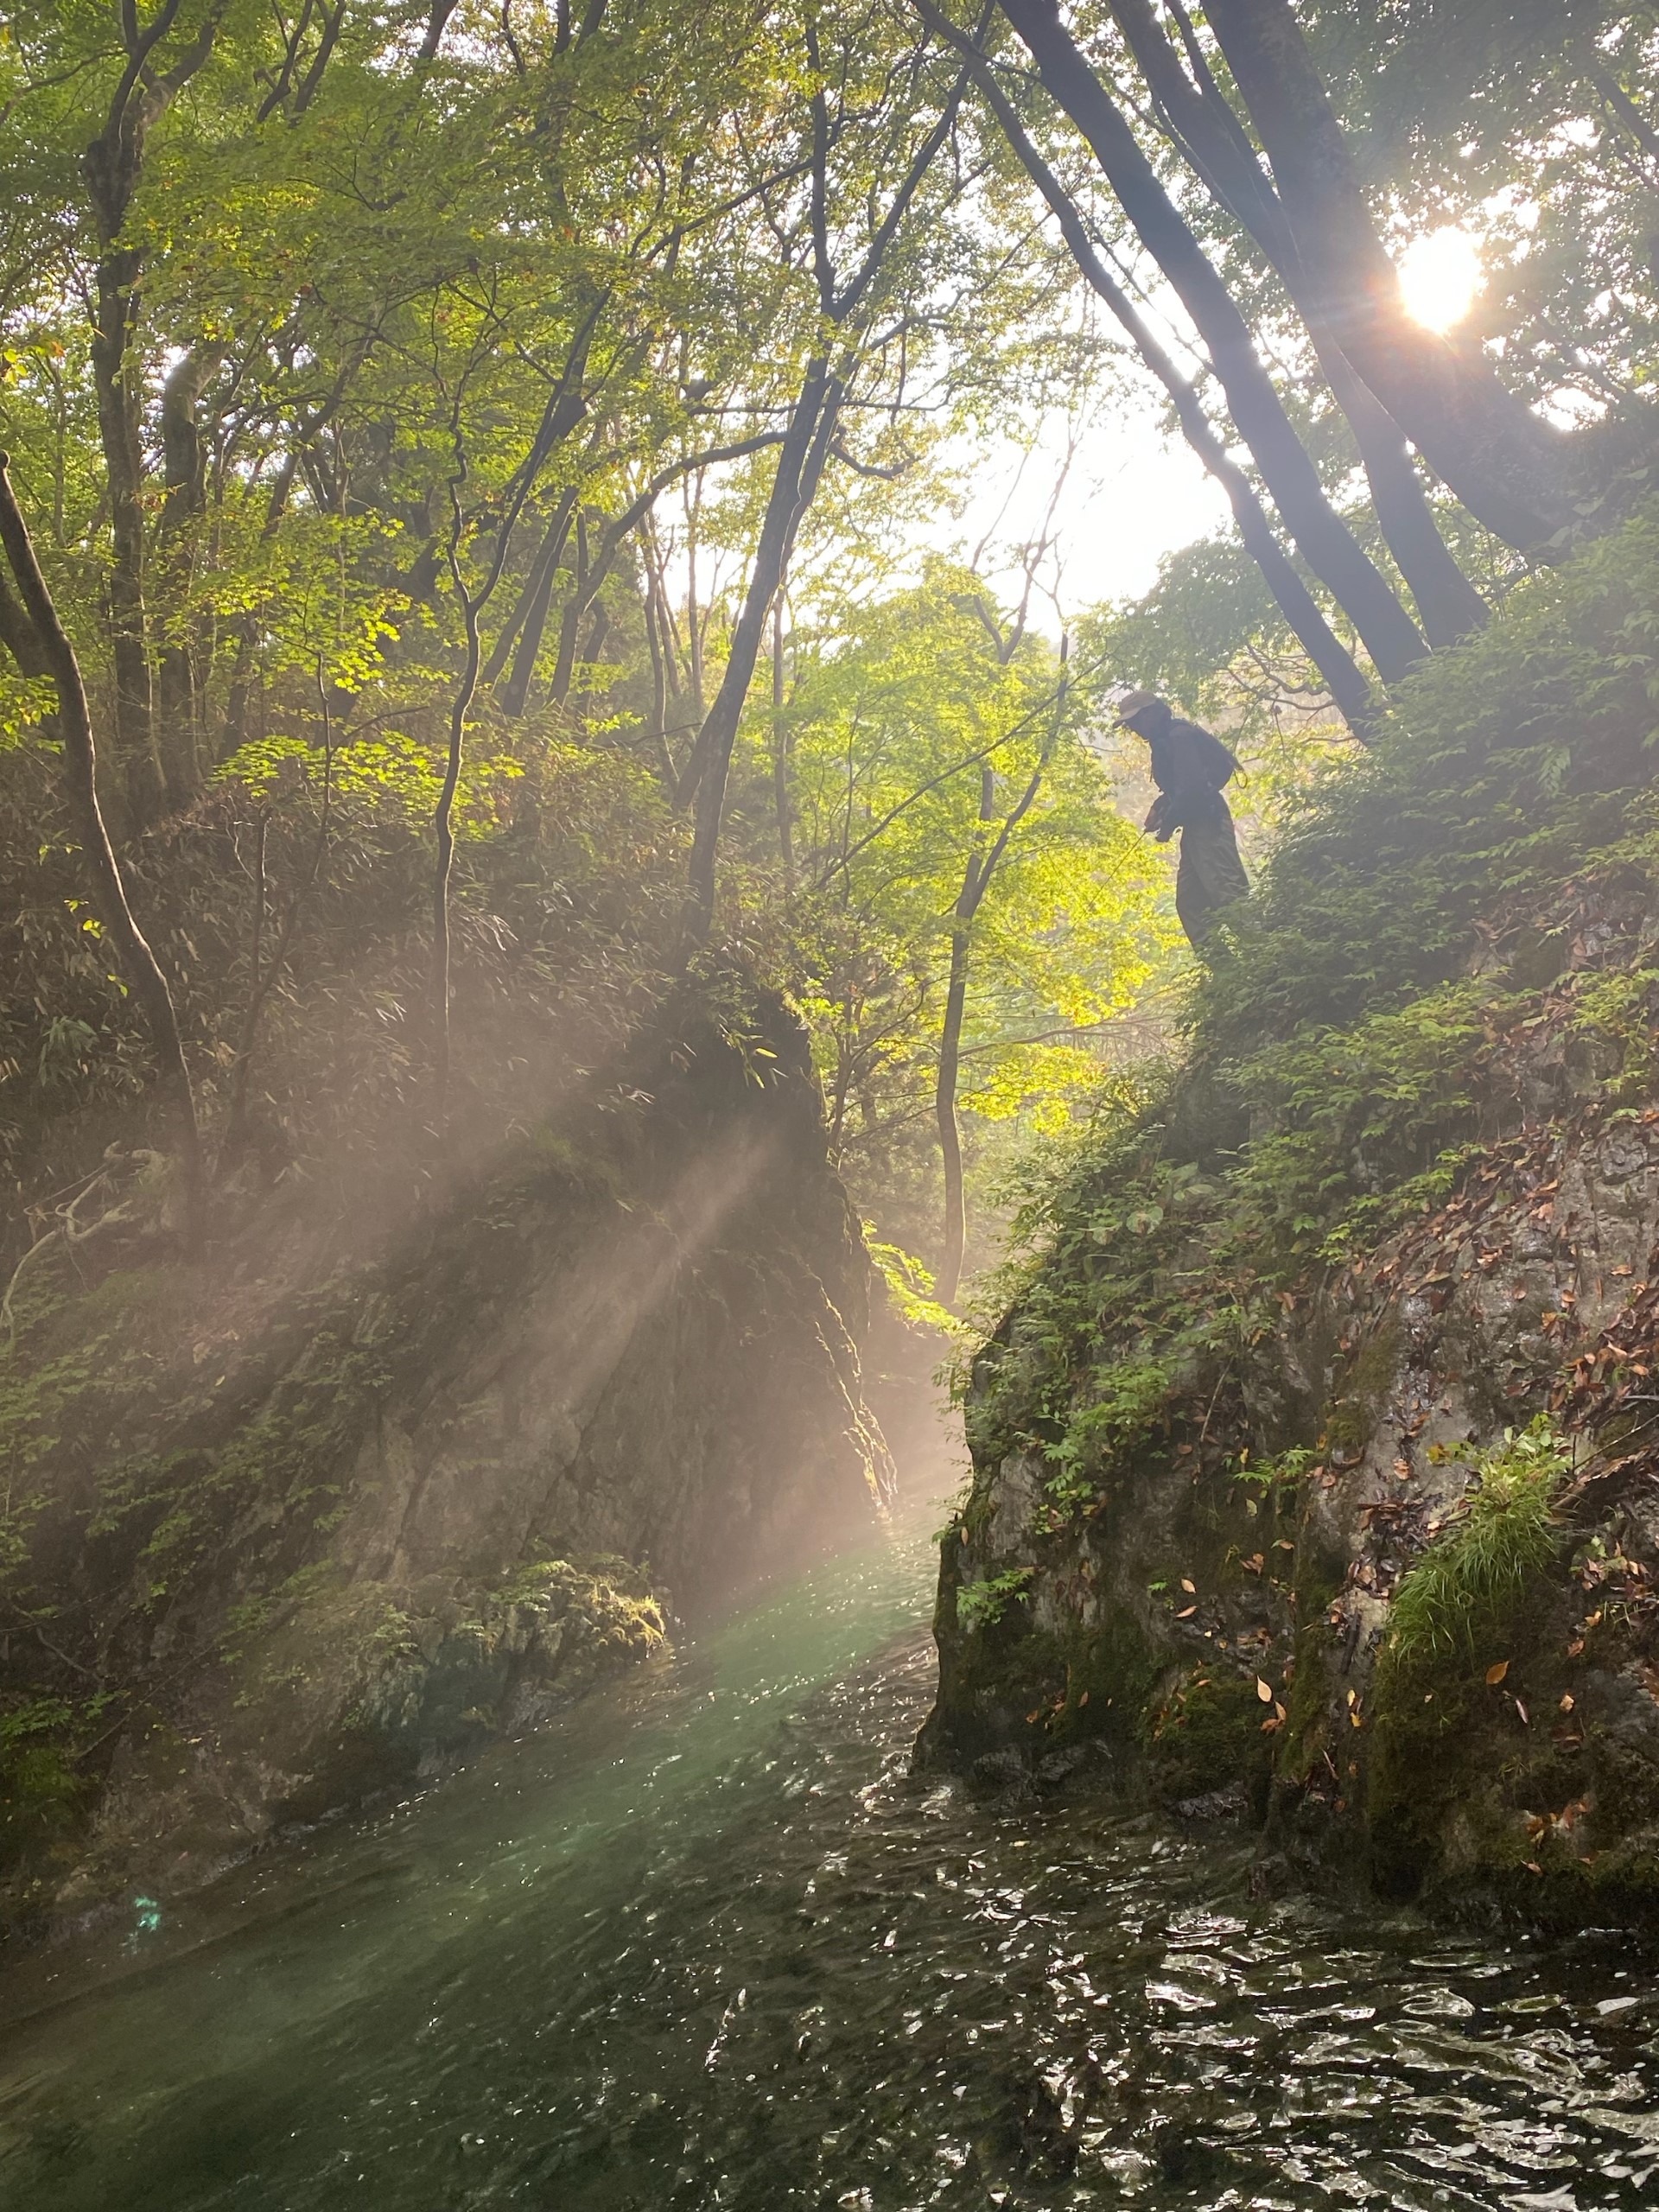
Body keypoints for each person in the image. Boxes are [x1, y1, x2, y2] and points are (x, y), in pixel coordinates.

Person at [1115, 688, 1249, 949]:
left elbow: (1192, 790)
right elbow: (1181, 788)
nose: (1133, 727)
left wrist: (1166, 826)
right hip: (1195, 827)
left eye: (1135, 720)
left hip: (1208, 824)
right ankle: (1225, 973)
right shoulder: (1165, 740)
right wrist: (1161, 806)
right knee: (1190, 905)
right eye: (1129, 723)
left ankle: (1268, 960)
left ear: (1153, 713)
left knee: (1227, 894)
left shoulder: (1179, 737)